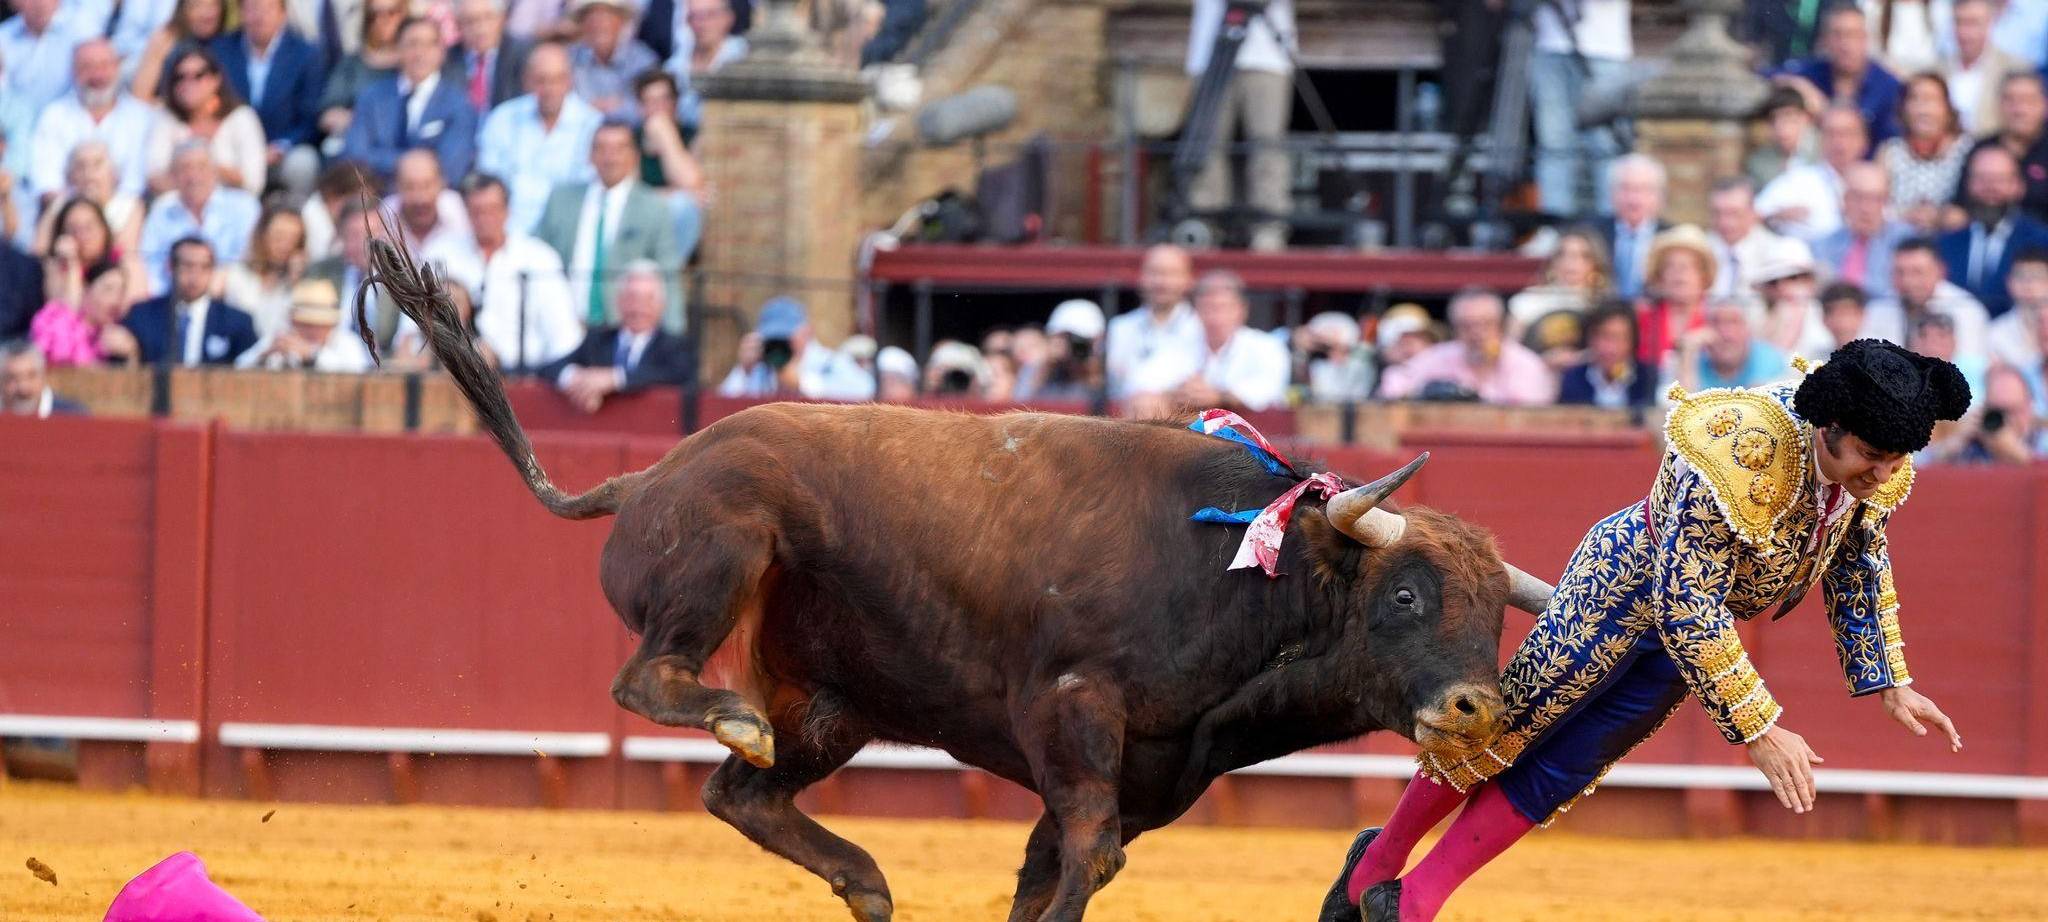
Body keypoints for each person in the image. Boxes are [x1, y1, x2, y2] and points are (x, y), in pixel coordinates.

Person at [1324, 337, 1971, 922]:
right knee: (1509, 725)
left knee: (1569, 766)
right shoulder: (1740, 446)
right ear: (1831, 426)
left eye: (1895, 460)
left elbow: (1858, 558)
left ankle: (1414, 901)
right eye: (1873, 457)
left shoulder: (1879, 459)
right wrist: (1761, 727)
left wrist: (1890, 679)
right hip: (1620, 590)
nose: (1884, 475)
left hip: (1691, 634)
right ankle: (1379, 864)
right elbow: (1688, 604)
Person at [533, 120, 685, 330]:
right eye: (601, 148)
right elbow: (536, 256)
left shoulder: (653, 208)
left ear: (634, 156)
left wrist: (673, 335)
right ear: (590, 155)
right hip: (565, 326)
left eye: (618, 149)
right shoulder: (561, 200)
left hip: (619, 330)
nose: (609, 157)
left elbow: (667, 275)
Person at [1184, 0, 1295, 251]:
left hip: (1267, 56)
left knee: (1267, 144)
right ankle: (1206, 226)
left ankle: (1269, 229)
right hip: (1210, 53)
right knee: (1207, 143)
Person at [477, 42, 604, 233]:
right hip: (509, 228)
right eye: (541, 80)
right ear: (527, 81)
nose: (550, 89)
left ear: (569, 80)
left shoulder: (592, 124)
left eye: (557, 80)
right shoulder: (503, 118)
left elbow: (589, 190)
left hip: (570, 230)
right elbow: (489, 180)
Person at [1124, 269, 1292, 414]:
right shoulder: (1179, 343)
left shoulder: (1265, 346)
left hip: (1251, 442)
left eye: (1223, 308)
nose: (1215, 317)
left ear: (1241, 310)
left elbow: (1268, 390)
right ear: (1196, 310)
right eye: (1208, 308)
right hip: (1192, 441)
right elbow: (1140, 382)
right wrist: (1178, 393)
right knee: (1146, 403)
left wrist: (1218, 397)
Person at [540, 260, 693, 412]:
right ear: (619, 301)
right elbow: (550, 368)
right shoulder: (598, 340)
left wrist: (614, 379)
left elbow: (676, 375)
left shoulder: (676, 347)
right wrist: (576, 379)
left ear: (662, 305)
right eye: (632, 298)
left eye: (648, 299)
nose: (639, 307)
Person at [341, 16, 479, 184]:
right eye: (412, 44)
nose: (420, 53)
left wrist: (387, 162)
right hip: (376, 195)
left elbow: (452, 166)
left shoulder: (458, 104)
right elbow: (355, 154)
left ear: (442, 52)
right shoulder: (372, 97)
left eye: (429, 44)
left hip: (431, 199)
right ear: (398, 49)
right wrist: (409, 164)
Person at [211, 0, 326, 201]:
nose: (259, 16)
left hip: (281, 149)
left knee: (303, 163)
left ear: (283, 13)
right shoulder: (221, 50)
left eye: (266, 9)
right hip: (233, 149)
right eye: (252, 8)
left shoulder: (306, 54)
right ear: (241, 13)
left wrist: (281, 146)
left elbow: (311, 117)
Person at [1528, 0, 1631, 221]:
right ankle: (1553, 222)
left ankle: (1611, 224)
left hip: (1604, 48)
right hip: (1549, 45)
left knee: (1605, 144)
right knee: (1552, 143)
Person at [1378, 288, 1556, 405]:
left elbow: (1535, 414)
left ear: (1501, 326)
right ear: (1455, 329)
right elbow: (1393, 388)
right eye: (1466, 326)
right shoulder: (1438, 357)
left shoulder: (1526, 364)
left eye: (1485, 324)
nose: (1477, 333)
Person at [27, 40, 153, 205]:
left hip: (126, 215)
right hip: (66, 215)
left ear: (117, 68)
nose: (97, 75)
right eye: (87, 67)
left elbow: (135, 185)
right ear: (73, 72)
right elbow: (47, 183)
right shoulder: (54, 116)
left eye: (104, 66)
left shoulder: (141, 116)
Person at [1936, 144, 2048, 318]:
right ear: (1968, 184)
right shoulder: (1945, 244)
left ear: (2018, 186)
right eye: (1981, 179)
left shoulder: (2041, 241)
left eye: (1999, 179)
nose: (1990, 188)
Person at [138, 142, 262, 296]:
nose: (193, 175)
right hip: (173, 297)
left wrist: (213, 285)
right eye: (185, 168)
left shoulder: (243, 205)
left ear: (215, 171)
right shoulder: (162, 208)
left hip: (230, 297)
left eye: (201, 166)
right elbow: (151, 262)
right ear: (174, 176)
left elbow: (249, 258)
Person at [144, 45, 269, 197]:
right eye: (180, 77)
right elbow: (154, 176)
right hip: (179, 208)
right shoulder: (166, 119)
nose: (188, 83)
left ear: (215, 79)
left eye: (198, 75)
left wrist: (205, 169)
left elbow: (254, 181)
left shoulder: (241, 118)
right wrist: (193, 188)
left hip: (234, 206)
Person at [1772, 3, 1903, 144]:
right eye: (1837, 35)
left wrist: (1825, 110)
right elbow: (1769, 73)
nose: (1845, 45)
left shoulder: (1887, 86)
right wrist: (1799, 85)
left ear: (1866, 38)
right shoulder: (1813, 72)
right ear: (1824, 40)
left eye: (1853, 35)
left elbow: (1891, 142)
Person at [123, 236, 259, 365]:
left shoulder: (237, 322)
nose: (195, 276)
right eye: (188, 266)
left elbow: (251, 371)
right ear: (170, 267)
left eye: (204, 267)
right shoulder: (142, 316)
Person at [1865, 237, 1993, 357]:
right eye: (1899, 272)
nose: (1908, 282)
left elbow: (1970, 364)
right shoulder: (1878, 308)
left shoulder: (1967, 310)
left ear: (1940, 271)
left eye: (1917, 272)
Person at [1105, 244, 1202, 399]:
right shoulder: (1120, 327)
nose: (1162, 282)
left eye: (1172, 274)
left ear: (1189, 280)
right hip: (1125, 419)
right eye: (1155, 272)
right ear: (1141, 277)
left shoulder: (1203, 328)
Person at [1948, 72, 2048, 221]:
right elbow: (1959, 206)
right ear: (1998, 104)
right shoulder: (1981, 149)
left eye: (2028, 100)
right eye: (2010, 100)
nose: (2019, 110)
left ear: (2044, 105)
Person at [631, 70, 708, 264]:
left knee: (682, 206)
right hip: (640, 223)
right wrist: (668, 193)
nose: (658, 108)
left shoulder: (692, 136)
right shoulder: (630, 139)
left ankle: (664, 276)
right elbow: (628, 194)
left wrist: (665, 136)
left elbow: (693, 186)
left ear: (675, 103)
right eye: (650, 101)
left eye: (663, 100)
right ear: (640, 107)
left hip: (675, 227)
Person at [1757, 106, 1866, 242]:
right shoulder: (1797, 180)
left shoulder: (1876, 184)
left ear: (1864, 140)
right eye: (1832, 134)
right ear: (1821, 139)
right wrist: (1777, 217)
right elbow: (1753, 215)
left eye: (1847, 134)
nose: (1839, 143)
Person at [1877, 73, 1968, 234]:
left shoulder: (1966, 150)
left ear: (1947, 108)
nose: (1923, 110)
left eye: (1931, 100)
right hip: (1899, 240)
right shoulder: (1890, 152)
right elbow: (1876, 205)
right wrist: (1905, 215)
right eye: (1915, 100)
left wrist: (1940, 217)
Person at [1814, 161, 1910, 300]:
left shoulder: (1906, 242)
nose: (1866, 208)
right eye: (1857, 197)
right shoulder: (1823, 244)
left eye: (1875, 198)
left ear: (1886, 201)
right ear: (1844, 200)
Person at [235, 277, 376, 372]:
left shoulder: (347, 342)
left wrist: (312, 355)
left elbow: (357, 373)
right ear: (294, 322)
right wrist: (265, 355)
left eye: (319, 324)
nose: (312, 330)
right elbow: (238, 366)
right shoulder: (283, 339)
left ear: (331, 324)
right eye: (305, 324)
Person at [1921, 362, 2045, 462]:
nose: (2007, 420)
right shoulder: (1973, 446)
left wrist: (2018, 454)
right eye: (1999, 412)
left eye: (2013, 411)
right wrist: (1954, 444)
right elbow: (1916, 468)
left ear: (2029, 407)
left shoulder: (2042, 441)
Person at [1941, 0, 2029, 136]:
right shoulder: (1937, 69)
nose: (1964, 32)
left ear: (1990, 24)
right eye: (1959, 22)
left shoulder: (2014, 68)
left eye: (1973, 23)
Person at [31, 259, 139, 367]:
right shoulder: (56, 320)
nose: (115, 301)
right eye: (108, 290)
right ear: (86, 289)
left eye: (121, 292)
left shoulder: (121, 332)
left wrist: (131, 354)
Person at [1635, 224, 1717, 366]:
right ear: (1660, 277)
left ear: (1703, 277)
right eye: (1670, 266)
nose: (1679, 273)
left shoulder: (1717, 319)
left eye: (1688, 266)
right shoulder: (1642, 317)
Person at [221, 207, 309, 337]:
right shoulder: (234, 275)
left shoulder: (298, 285)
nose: (285, 246)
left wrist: (296, 284)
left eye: (293, 240)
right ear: (262, 235)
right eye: (279, 236)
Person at [567, 0, 660, 121]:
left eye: (606, 17)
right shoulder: (569, 58)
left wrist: (605, 109)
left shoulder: (643, 60)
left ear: (621, 21)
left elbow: (648, 108)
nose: (598, 25)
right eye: (591, 18)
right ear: (583, 25)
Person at [668, 0, 748, 138]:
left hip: (729, 138)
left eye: (709, 15)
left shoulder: (744, 57)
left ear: (728, 17)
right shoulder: (674, 65)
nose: (701, 23)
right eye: (694, 16)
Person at [1507, 227, 1612, 329]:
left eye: (1583, 255)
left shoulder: (1606, 307)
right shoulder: (1526, 304)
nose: (1571, 261)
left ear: (1596, 264)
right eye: (1562, 254)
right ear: (1553, 261)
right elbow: (1512, 345)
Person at [1556, 303, 1656, 409]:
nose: (1610, 348)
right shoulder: (1573, 379)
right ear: (1590, 338)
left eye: (1618, 338)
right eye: (1604, 337)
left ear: (1632, 341)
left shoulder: (1648, 379)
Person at [0, 0, 93, 113]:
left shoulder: (83, 29)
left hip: (69, 121)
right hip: (14, 122)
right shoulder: (4, 36)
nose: (39, 3)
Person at [1680, 297, 1792, 391]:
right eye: (1716, 322)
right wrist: (1687, 354)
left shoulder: (1768, 358)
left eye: (1734, 322)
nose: (1725, 333)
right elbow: (1681, 408)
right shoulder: (1696, 360)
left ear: (1749, 329)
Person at [1752, 234, 1836, 358]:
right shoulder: (1757, 320)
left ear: (1810, 281)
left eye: (1792, 278)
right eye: (1773, 282)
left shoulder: (1828, 318)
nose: (1782, 287)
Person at [1598, 154, 1669, 300]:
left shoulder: (1671, 237)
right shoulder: (1593, 233)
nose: (1633, 199)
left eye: (1643, 189)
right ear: (1611, 193)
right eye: (1625, 188)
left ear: (1659, 196)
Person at [131, 0, 229, 104]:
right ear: (183, 10)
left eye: (213, 5)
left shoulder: (232, 44)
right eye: (197, 6)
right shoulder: (166, 39)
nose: (207, 14)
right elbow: (140, 96)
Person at [1707, 176, 1785, 299]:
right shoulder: (1700, 251)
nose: (1724, 222)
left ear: (1753, 212)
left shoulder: (1778, 253)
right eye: (1717, 213)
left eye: (1733, 213)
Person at [447, 0, 533, 112]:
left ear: (502, 19)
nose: (480, 28)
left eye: (488, 18)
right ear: (458, 26)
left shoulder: (523, 55)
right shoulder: (448, 59)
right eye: (470, 21)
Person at [1746, 87, 1820, 190]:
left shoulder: (1825, 150)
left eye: (1789, 116)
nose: (1781, 126)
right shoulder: (1759, 161)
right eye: (1773, 120)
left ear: (1805, 118)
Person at [1296, 310, 1376, 404]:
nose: (1334, 354)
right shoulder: (1317, 367)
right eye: (1327, 348)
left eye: (1338, 349)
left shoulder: (1359, 366)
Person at [1989, 248, 2048, 367]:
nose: (2029, 284)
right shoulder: (1996, 333)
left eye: (2037, 276)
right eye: (2021, 277)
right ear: (2009, 282)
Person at [2, 339, 88, 416]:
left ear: (43, 377)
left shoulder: (73, 416)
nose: (23, 388)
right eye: (13, 379)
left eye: (31, 376)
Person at [1819, 281, 1872, 357]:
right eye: (1835, 315)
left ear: (1862, 315)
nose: (1842, 323)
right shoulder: (1813, 361)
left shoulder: (1882, 361)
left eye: (1846, 314)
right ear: (1824, 319)